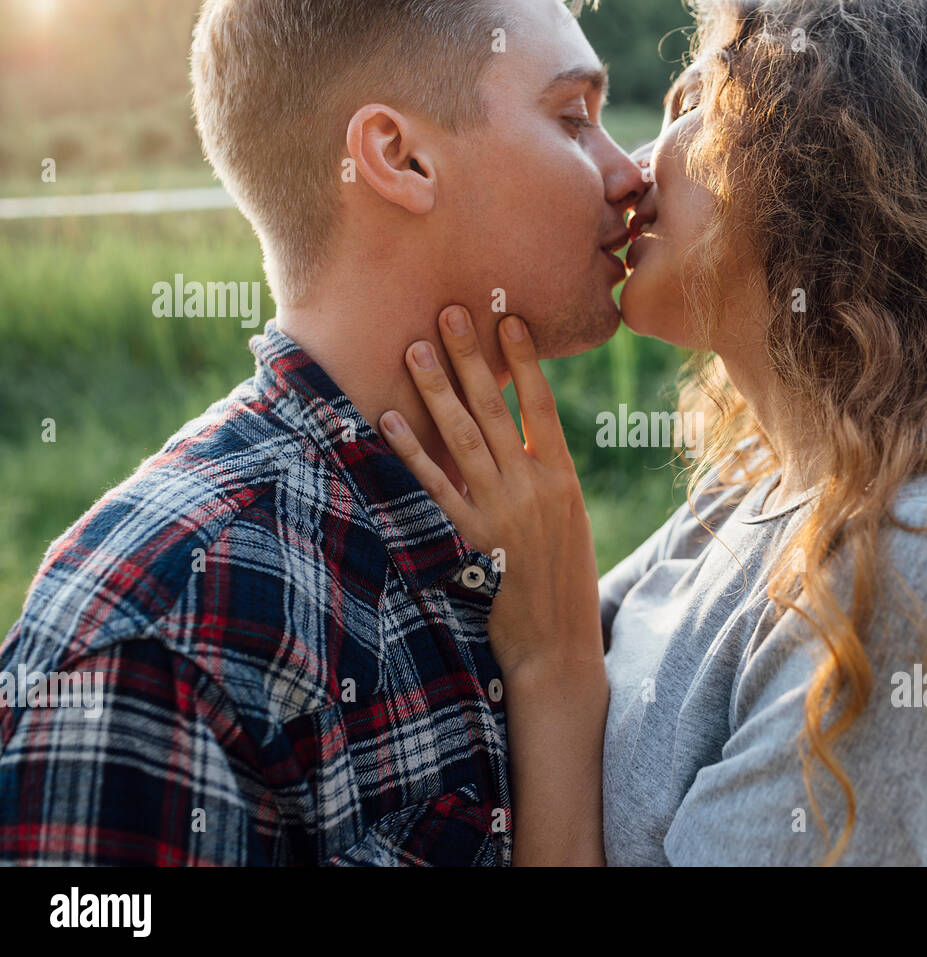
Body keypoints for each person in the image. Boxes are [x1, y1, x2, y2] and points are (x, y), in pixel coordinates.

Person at [382, 0, 927, 865]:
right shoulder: (760, 489)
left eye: (691, 104)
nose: (634, 171)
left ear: (821, 155)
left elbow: (557, 658)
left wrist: (551, 668)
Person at [0, 0, 645, 865]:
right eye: (573, 119)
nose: (629, 171)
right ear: (399, 157)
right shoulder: (161, 636)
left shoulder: (531, 549)